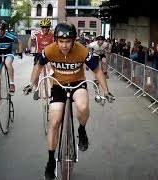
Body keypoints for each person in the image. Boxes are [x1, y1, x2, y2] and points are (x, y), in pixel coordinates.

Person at [23, 22, 114, 180]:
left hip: (78, 83)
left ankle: (82, 131)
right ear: (56, 40)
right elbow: (38, 66)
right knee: (54, 121)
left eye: (68, 41)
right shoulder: (50, 50)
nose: (64, 45)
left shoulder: (82, 51)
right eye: (61, 41)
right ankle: (51, 161)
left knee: (82, 105)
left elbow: (97, 70)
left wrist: (106, 91)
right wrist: (31, 84)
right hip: (58, 86)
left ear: (74, 40)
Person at [26, 18, 54, 100]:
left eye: (46, 27)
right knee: (36, 72)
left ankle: (52, 88)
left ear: (49, 27)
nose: (45, 29)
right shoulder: (36, 34)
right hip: (39, 54)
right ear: (41, 27)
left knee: (52, 72)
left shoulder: (52, 35)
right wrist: (29, 49)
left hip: (49, 55)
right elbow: (30, 41)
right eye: (43, 27)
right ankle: (36, 89)